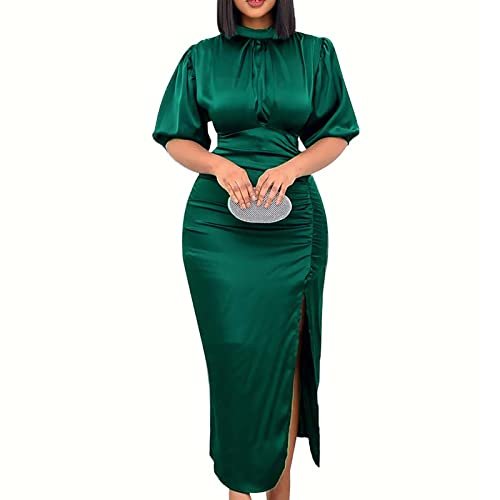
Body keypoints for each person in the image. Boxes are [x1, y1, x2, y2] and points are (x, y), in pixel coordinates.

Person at [152, 0, 359, 498]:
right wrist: (218, 165)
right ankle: (236, 493)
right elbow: (175, 137)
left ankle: (280, 492)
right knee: (233, 361)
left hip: (294, 221)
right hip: (217, 227)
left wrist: (293, 167)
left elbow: (337, 133)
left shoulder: (316, 53)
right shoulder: (201, 56)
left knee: (283, 356)